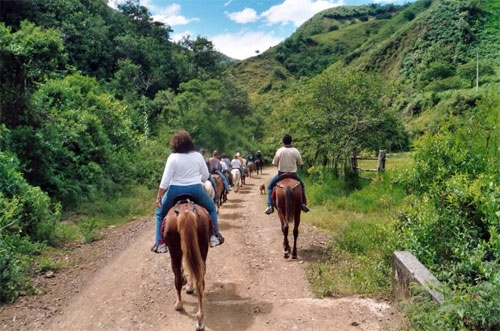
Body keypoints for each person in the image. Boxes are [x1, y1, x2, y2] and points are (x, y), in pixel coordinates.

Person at [152, 130, 224, 253]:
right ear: (190, 143)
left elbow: (165, 180)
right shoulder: (197, 156)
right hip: (195, 189)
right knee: (212, 208)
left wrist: (159, 196)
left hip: (174, 190)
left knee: (159, 213)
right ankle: (214, 236)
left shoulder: (172, 157)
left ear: (174, 144)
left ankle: (160, 243)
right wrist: (196, 178)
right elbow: (206, 175)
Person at [265, 133, 309, 215]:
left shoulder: (279, 150)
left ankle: (270, 205)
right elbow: (300, 163)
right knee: (302, 186)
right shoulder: (296, 151)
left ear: (283, 141)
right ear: (291, 141)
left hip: (281, 174)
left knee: (270, 187)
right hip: (293, 175)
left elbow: (274, 163)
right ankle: (303, 204)